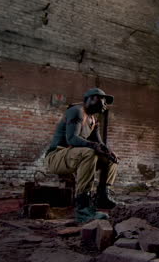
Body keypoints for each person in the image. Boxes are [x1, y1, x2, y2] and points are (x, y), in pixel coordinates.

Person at [45, 88, 119, 223]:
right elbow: (72, 139)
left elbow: (99, 143)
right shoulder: (77, 111)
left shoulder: (93, 119)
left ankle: (102, 197)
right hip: (56, 157)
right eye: (103, 101)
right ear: (92, 98)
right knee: (89, 152)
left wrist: (108, 151)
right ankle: (83, 210)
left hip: (72, 156)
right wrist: (94, 146)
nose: (105, 105)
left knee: (110, 159)